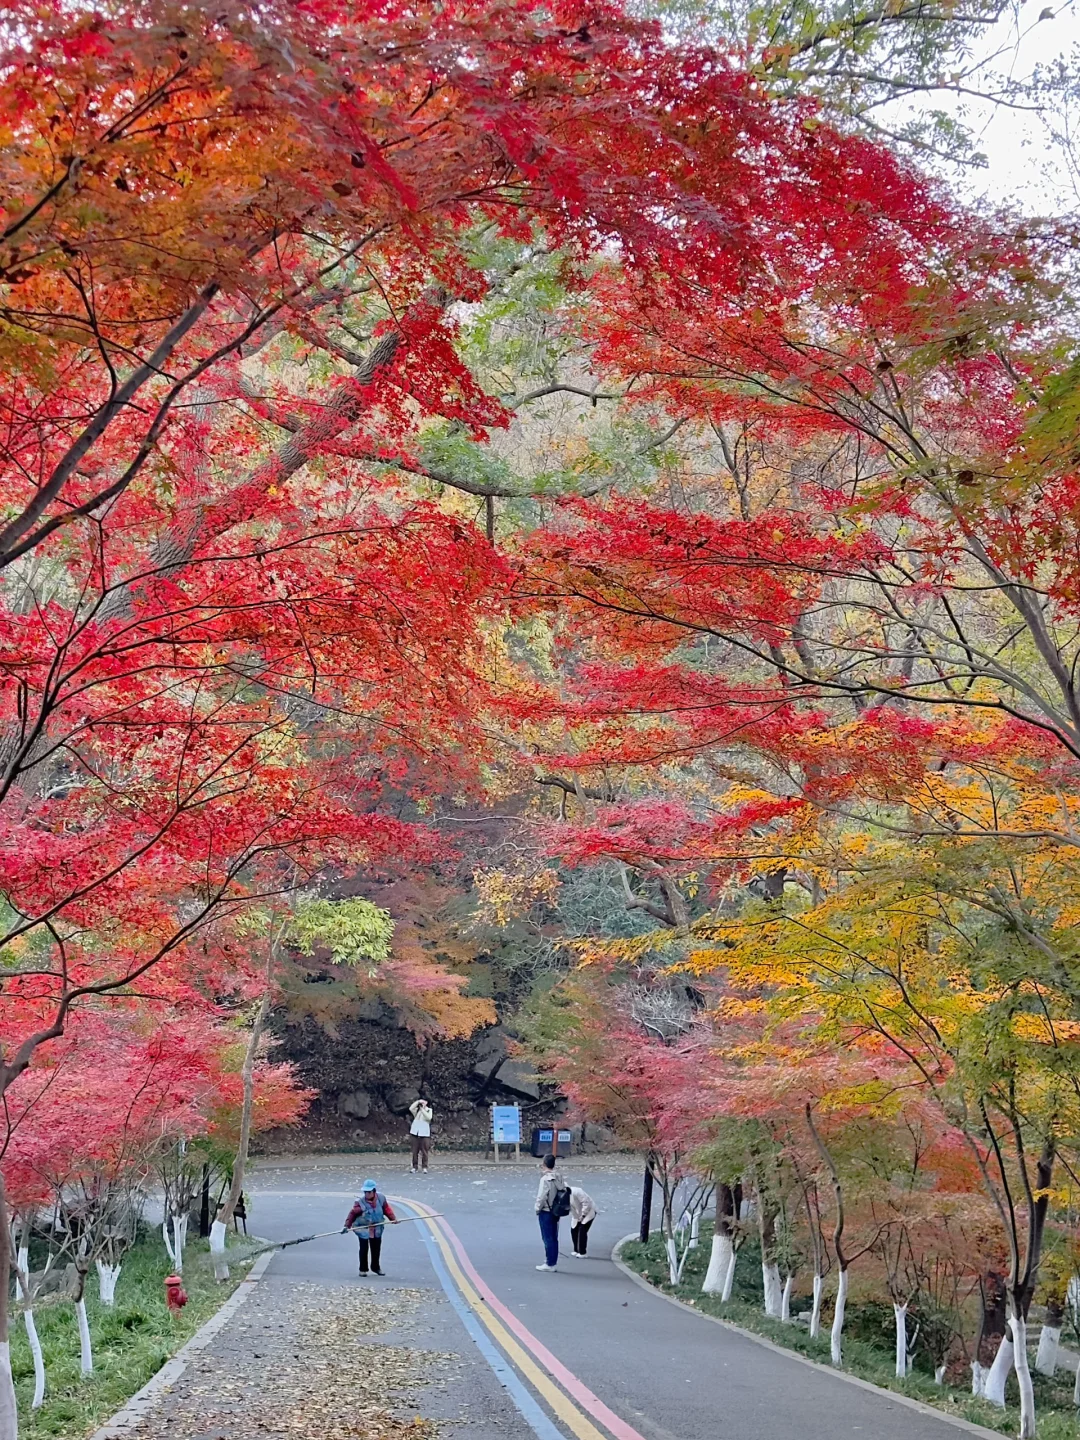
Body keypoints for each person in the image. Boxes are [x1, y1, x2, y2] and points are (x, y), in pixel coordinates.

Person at [343, 1179, 397, 1276]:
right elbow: (352, 1214)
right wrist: (346, 1226)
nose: (367, 1194)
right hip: (363, 1227)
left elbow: (386, 1209)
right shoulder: (360, 1203)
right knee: (364, 1248)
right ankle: (363, 1269)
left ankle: (376, 1267)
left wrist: (393, 1218)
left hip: (377, 1227)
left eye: (369, 1192)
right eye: (365, 1192)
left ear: (374, 1191)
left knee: (376, 1248)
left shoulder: (381, 1198)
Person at [534, 1153, 567, 1271]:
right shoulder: (559, 1177)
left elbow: (542, 1197)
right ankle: (553, 1261)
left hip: (546, 1210)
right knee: (554, 1237)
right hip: (556, 1210)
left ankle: (549, 1263)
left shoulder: (545, 1180)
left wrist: (537, 1209)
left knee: (547, 1237)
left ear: (543, 1164)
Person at [569, 1186, 597, 1256]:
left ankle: (582, 1252)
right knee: (574, 1229)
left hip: (589, 1211)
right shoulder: (562, 1195)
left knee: (582, 1229)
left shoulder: (577, 1191)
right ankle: (576, 1250)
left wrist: (583, 1215)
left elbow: (586, 1203)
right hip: (577, 1213)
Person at [408, 1096, 433, 1173]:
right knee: (415, 1151)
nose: (423, 1102)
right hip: (415, 1133)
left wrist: (423, 1109)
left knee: (424, 1151)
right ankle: (414, 1167)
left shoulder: (429, 1110)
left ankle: (424, 1167)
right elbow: (411, 1108)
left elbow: (429, 1118)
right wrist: (418, 1102)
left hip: (424, 1134)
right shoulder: (417, 1111)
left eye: (425, 1101)